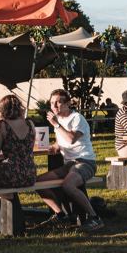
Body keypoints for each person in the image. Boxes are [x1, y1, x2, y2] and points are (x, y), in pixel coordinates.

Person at [36, 89, 104, 232]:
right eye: (52, 103)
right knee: (38, 182)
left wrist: (56, 125)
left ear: (68, 104)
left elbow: (71, 139)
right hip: (69, 164)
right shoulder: (59, 120)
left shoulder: (77, 118)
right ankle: (61, 215)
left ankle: (95, 218)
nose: (54, 106)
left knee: (68, 185)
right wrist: (54, 146)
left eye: (59, 102)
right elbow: (62, 141)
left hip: (84, 162)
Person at [0, 95, 38, 222]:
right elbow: (29, 149)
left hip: (11, 173)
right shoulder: (30, 123)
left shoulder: (2, 126)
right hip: (30, 173)